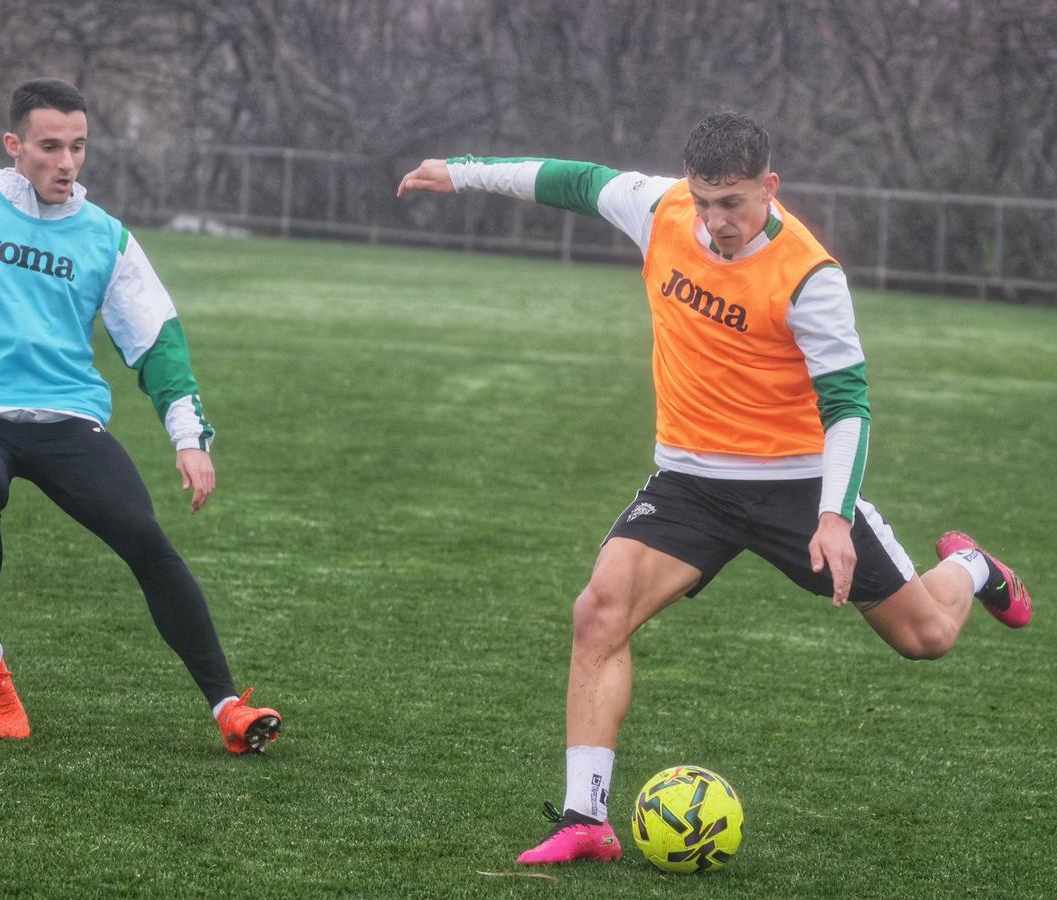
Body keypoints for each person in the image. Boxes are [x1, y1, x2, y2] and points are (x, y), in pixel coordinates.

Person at [396, 111, 1032, 865]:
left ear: (769, 187)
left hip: (796, 486)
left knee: (926, 639)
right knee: (598, 613)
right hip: (691, 482)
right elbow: (570, 181)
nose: (715, 219)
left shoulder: (810, 277)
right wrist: (461, 171)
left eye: (731, 202)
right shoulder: (662, 208)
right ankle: (585, 818)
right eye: (704, 200)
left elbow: (848, 408)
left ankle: (970, 568)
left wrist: (833, 517)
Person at [0, 78, 282, 754]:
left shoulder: (106, 238)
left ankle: (228, 706)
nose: (67, 162)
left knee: (142, 533)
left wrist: (189, 438)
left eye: (78, 147)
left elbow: (158, 341)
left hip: (66, 414)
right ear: (15, 145)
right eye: (51, 147)